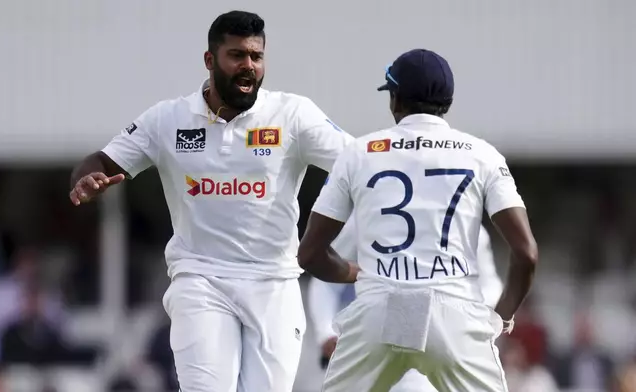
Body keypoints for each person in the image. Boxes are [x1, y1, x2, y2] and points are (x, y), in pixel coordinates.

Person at [68, 10, 353, 392]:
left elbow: (358, 164)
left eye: (256, 56)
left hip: (274, 283)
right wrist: (86, 178)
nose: (248, 66)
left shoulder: (292, 114)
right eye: (237, 55)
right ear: (210, 60)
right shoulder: (168, 118)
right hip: (200, 278)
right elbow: (100, 161)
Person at [298, 48, 538, 391]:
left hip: (376, 310)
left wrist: (352, 272)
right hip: (455, 315)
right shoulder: (483, 154)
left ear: (395, 100)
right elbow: (526, 253)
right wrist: (501, 317)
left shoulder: (359, 152)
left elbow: (309, 254)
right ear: (449, 100)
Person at [307, 216, 504, 391]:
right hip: (375, 339)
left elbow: (491, 285)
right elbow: (325, 279)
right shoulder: (366, 212)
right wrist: (325, 333)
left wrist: (461, 317)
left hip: (441, 343)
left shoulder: (466, 221)